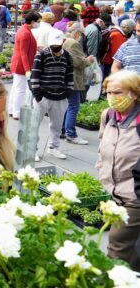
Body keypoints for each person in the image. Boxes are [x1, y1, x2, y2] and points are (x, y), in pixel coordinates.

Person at [96, 70, 140, 271]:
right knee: (129, 247)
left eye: (118, 93)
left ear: (135, 93)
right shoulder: (108, 115)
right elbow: (102, 146)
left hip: (134, 197)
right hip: (114, 193)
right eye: (108, 92)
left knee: (116, 244)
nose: (112, 98)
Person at [30, 29, 74, 160]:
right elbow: (35, 76)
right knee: (34, 125)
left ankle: (53, 147)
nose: (55, 46)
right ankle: (33, 150)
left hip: (61, 96)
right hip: (43, 96)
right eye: (53, 44)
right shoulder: (41, 55)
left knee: (56, 126)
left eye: (57, 44)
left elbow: (69, 75)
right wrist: (37, 95)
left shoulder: (67, 56)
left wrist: (69, 92)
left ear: (63, 42)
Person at [62, 23, 96, 144]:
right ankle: (71, 134)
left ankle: (64, 130)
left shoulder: (65, 40)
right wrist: (89, 60)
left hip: (65, 78)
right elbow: (79, 63)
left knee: (68, 106)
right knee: (73, 107)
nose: (81, 37)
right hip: (74, 79)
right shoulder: (74, 43)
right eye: (81, 34)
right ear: (77, 33)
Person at [8, 11, 40, 119]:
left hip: (18, 63)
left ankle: (12, 109)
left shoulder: (24, 30)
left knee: (16, 88)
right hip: (21, 64)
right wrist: (27, 70)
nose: (39, 24)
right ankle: (16, 112)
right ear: (32, 22)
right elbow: (24, 53)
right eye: (38, 22)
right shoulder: (25, 33)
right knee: (20, 90)